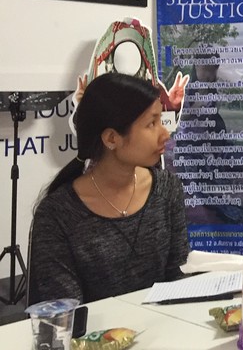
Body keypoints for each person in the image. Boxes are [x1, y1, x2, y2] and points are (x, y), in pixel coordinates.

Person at [28, 73, 189, 304]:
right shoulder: (58, 215)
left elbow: (178, 279)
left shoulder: (167, 189)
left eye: (161, 121)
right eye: (151, 124)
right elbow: (66, 312)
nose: (165, 134)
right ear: (112, 138)